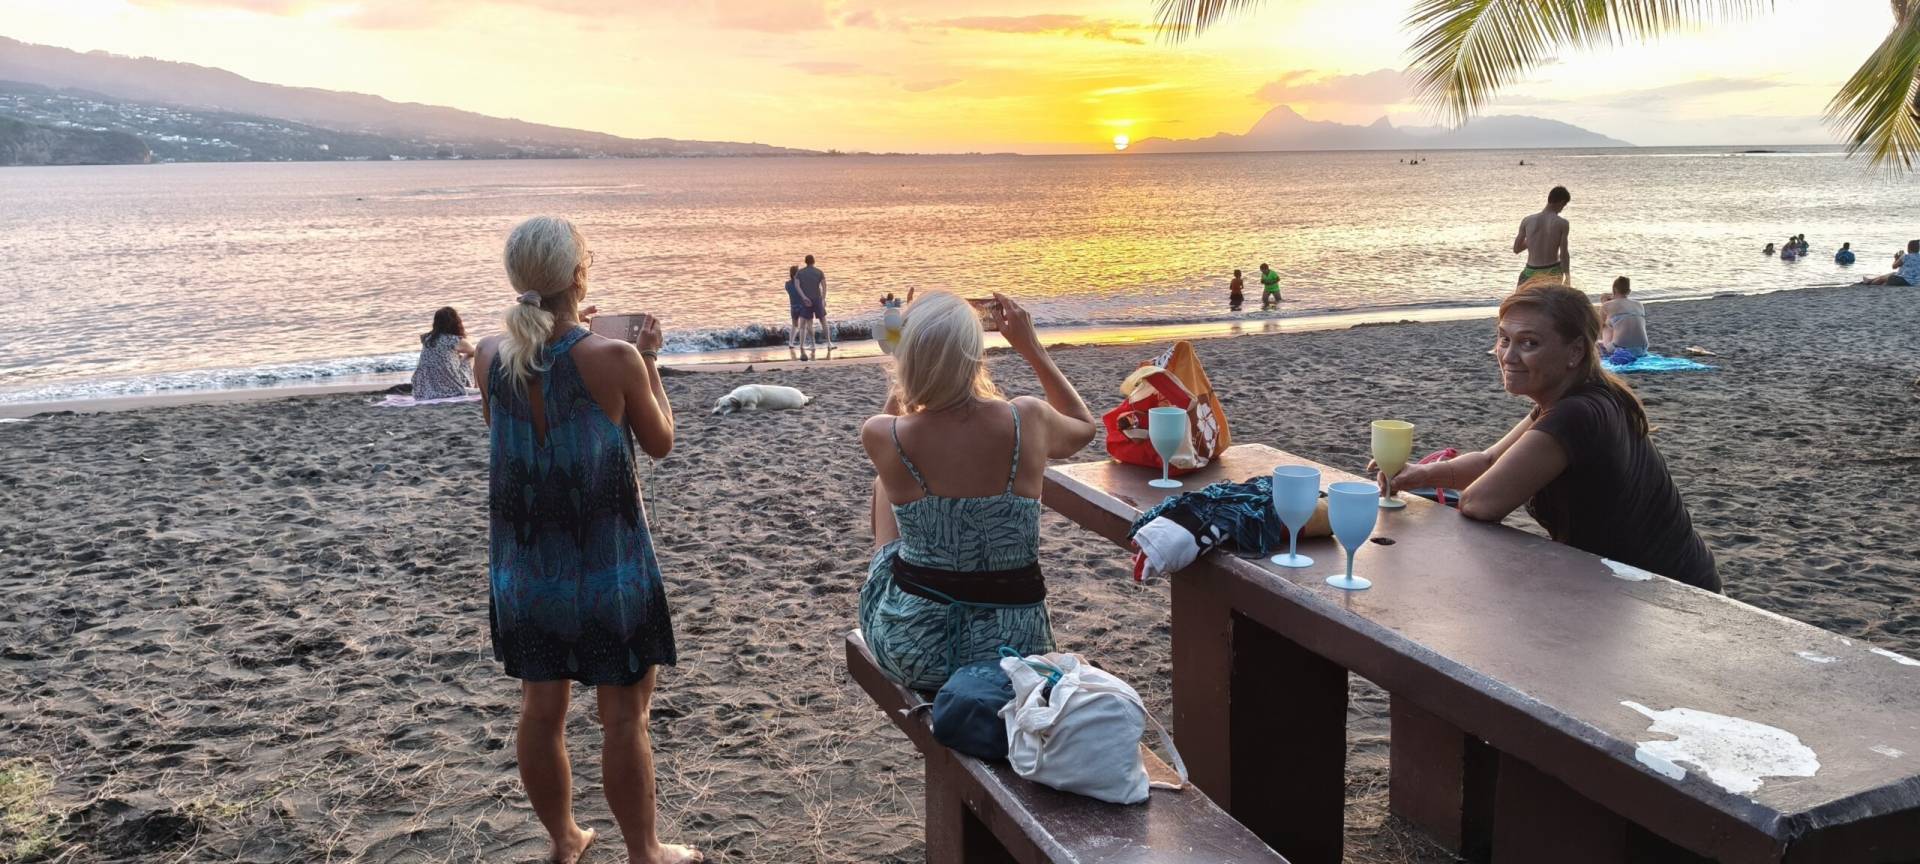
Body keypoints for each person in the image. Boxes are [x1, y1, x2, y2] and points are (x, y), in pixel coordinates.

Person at [472, 217, 700, 864]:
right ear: (579, 275)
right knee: (625, 717)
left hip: (525, 567)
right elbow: (660, 444)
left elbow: (507, 415)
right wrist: (647, 358)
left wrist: (574, 335)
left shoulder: (490, 355)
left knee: (540, 712)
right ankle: (644, 851)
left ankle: (564, 839)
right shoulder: (615, 357)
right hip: (608, 567)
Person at [1379, 279, 1719, 592]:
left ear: (1574, 352)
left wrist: (1449, 487)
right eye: (1504, 339)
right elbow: (1489, 460)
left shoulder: (1578, 413)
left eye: (1530, 343)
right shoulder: (1577, 396)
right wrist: (1416, 475)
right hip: (1637, 582)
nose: (1508, 356)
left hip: (1668, 596)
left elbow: (1479, 502)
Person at [858, 290, 1097, 691]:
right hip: (1019, 650)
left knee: (886, 480)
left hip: (915, 649)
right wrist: (1031, 347)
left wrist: (908, 360)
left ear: (908, 356)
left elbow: (896, 418)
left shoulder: (882, 434)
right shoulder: (1029, 419)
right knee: (894, 480)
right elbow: (1083, 427)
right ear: (975, 354)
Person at [411, 306, 475, 400]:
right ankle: (477, 386)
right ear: (455, 322)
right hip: (449, 387)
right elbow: (475, 352)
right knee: (471, 355)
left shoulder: (428, 339)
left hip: (422, 389)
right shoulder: (453, 340)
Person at [1514, 186, 1572, 285]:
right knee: (1553, 300)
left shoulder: (1527, 221)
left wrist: (1532, 240)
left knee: (1522, 300)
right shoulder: (1562, 223)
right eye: (1564, 205)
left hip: (1530, 272)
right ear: (1562, 202)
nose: (1562, 209)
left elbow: (1516, 249)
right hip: (1552, 272)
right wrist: (1567, 276)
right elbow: (1563, 254)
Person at [1596, 276, 1648, 358]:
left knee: (1606, 325)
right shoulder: (1639, 305)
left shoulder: (1606, 305)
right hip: (1642, 349)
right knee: (1620, 320)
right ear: (1629, 291)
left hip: (1619, 349)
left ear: (1614, 290)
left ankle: (1608, 344)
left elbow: (1599, 326)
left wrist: (1604, 303)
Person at [795, 254, 830, 358]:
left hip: (807, 300)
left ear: (805, 262)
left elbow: (797, 286)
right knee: (823, 321)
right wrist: (823, 299)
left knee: (808, 323)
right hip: (817, 299)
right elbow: (824, 286)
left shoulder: (799, 273)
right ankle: (828, 343)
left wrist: (804, 297)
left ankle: (813, 344)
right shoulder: (819, 272)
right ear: (814, 261)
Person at [783, 265, 811, 350]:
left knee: (794, 325)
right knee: (803, 326)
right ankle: (802, 346)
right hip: (802, 307)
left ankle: (791, 343)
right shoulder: (801, 283)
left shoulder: (787, 284)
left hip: (793, 307)